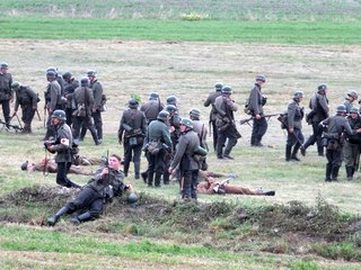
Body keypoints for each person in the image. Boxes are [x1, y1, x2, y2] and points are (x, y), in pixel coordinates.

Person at [47, 154, 133, 226]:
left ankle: (77, 219)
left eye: (114, 160)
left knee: (96, 211)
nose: (111, 162)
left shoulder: (121, 175)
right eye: (110, 160)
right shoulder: (103, 169)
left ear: (119, 163)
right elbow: (95, 178)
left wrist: (125, 187)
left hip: (102, 196)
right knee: (76, 203)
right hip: (92, 189)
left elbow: (117, 187)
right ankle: (55, 217)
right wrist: (102, 174)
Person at [321, 104, 361, 182]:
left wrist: (327, 133)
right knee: (337, 160)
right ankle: (334, 178)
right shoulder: (344, 120)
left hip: (329, 141)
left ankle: (328, 178)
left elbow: (321, 124)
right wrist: (357, 131)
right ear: (343, 113)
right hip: (338, 142)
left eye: (354, 113)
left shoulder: (331, 118)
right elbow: (350, 132)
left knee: (330, 161)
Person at [44, 110, 81, 188]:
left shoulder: (63, 129)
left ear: (60, 119)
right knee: (62, 179)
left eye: (55, 118)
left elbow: (65, 145)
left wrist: (53, 147)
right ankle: (77, 189)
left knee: (61, 179)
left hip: (65, 157)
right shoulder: (61, 127)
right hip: (64, 157)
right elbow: (61, 141)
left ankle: (79, 189)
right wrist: (51, 142)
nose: (53, 120)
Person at [169, 118, 201, 201]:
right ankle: (195, 202)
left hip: (187, 164)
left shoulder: (184, 137)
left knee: (187, 187)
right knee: (193, 186)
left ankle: (188, 203)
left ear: (187, 127)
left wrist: (172, 166)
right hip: (196, 164)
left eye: (182, 125)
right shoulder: (195, 135)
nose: (180, 126)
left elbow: (179, 154)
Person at [118, 98, 146, 179]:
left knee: (127, 156)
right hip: (139, 138)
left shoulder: (125, 113)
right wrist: (144, 137)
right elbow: (144, 127)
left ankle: (125, 173)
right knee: (137, 157)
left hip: (127, 138)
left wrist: (119, 137)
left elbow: (121, 126)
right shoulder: (141, 114)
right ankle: (137, 175)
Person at [144, 110, 172, 187]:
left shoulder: (151, 123)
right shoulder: (163, 126)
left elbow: (147, 135)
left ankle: (149, 183)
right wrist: (170, 149)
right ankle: (157, 183)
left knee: (151, 166)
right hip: (160, 149)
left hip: (149, 147)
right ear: (165, 118)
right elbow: (167, 139)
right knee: (160, 166)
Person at [302, 84, 329, 156]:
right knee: (319, 136)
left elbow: (310, 106)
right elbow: (325, 109)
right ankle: (319, 153)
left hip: (315, 119)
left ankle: (304, 147)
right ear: (322, 90)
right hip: (320, 119)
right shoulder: (321, 97)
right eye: (325, 90)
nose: (326, 91)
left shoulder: (314, 96)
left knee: (316, 135)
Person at [197, 170, 275, 196]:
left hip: (218, 186)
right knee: (242, 189)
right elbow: (206, 193)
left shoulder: (199, 172)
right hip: (215, 188)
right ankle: (259, 193)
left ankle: (257, 191)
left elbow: (209, 174)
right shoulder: (198, 186)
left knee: (242, 188)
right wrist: (213, 186)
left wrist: (211, 180)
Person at [214, 85, 240, 159]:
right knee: (233, 138)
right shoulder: (227, 100)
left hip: (218, 121)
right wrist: (231, 102)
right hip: (227, 122)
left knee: (221, 138)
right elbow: (235, 108)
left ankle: (219, 155)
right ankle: (226, 153)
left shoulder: (217, 99)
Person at [72, 78, 100, 145]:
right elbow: (91, 100)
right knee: (91, 126)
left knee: (76, 127)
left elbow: (74, 100)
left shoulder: (76, 90)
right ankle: (96, 141)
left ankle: (75, 141)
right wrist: (90, 109)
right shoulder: (89, 90)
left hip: (77, 110)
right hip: (86, 111)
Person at [247, 75, 268, 147]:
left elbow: (260, 103)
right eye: (261, 81)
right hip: (257, 112)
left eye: (263, 81)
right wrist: (257, 113)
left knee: (256, 127)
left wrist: (264, 100)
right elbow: (254, 102)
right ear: (257, 80)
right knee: (264, 126)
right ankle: (257, 141)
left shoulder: (258, 89)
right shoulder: (255, 89)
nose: (262, 82)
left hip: (258, 111)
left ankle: (253, 143)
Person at [285, 90, 305, 162]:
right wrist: (291, 127)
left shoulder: (296, 104)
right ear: (297, 98)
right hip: (293, 126)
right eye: (301, 97)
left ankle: (293, 155)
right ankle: (288, 157)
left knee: (301, 140)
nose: (302, 98)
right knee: (290, 142)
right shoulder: (292, 105)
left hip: (297, 126)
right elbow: (290, 117)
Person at [342, 107, 361, 180]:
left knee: (355, 160)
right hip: (348, 142)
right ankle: (349, 176)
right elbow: (346, 130)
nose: (353, 115)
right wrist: (357, 131)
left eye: (355, 113)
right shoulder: (346, 120)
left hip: (357, 143)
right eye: (352, 113)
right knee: (348, 159)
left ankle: (351, 174)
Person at [43, 70, 62, 140]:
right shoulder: (55, 83)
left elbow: (54, 97)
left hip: (54, 106)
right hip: (55, 105)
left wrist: (51, 107)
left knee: (51, 122)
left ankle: (50, 137)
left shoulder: (53, 84)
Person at [203, 82, 223, 151]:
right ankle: (221, 146)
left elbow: (205, 104)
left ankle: (215, 147)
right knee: (222, 133)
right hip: (223, 117)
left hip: (214, 116)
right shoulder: (224, 95)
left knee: (215, 133)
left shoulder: (211, 95)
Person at [87, 70, 104, 143]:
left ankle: (99, 137)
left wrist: (95, 107)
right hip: (90, 106)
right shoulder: (91, 84)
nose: (90, 78)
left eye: (91, 76)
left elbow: (98, 97)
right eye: (89, 77)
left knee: (98, 122)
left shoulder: (97, 85)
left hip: (95, 107)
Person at [0, 62, 13, 127]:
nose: (5, 70)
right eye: (3, 69)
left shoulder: (9, 75)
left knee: (7, 112)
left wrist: (12, 96)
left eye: (6, 69)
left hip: (6, 97)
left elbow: (11, 86)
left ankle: (8, 125)